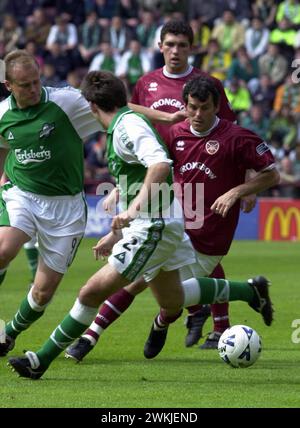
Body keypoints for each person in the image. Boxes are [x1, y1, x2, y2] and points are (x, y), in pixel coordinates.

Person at [7, 71, 276, 379]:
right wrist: (115, 231)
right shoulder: (123, 124)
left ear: (91, 106)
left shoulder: (127, 128)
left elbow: (160, 165)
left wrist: (133, 211)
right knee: (171, 298)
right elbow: (139, 177)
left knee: (90, 292)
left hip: (155, 225)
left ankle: (40, 360)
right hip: (159, 220)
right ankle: (250, 291)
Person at [0, 49, 199, 358]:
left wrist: (166, 116)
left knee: (42, 293)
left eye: (37, 81)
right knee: (4, 249)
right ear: (8, 85)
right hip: (22, 193)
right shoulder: (3, 115)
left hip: (65, 206)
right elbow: (3, 149)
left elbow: (118, 107)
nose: (34, 89)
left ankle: (9, 333)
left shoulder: (65, 102)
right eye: (25, 85)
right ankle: (38, 355)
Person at [65, 20, 240, 362]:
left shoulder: (207, 85)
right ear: (160, 46)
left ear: (192, 48)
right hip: (152, 179)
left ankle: (206, 321)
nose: (176, 51)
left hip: (194, 178)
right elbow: (125, 120)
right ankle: (190, 313)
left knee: (193, 252)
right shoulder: (146, 83)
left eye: (182, 45)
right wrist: (121, 186)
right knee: (167, 261)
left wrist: (241, 184)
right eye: (170, 44)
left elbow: (230, 131)